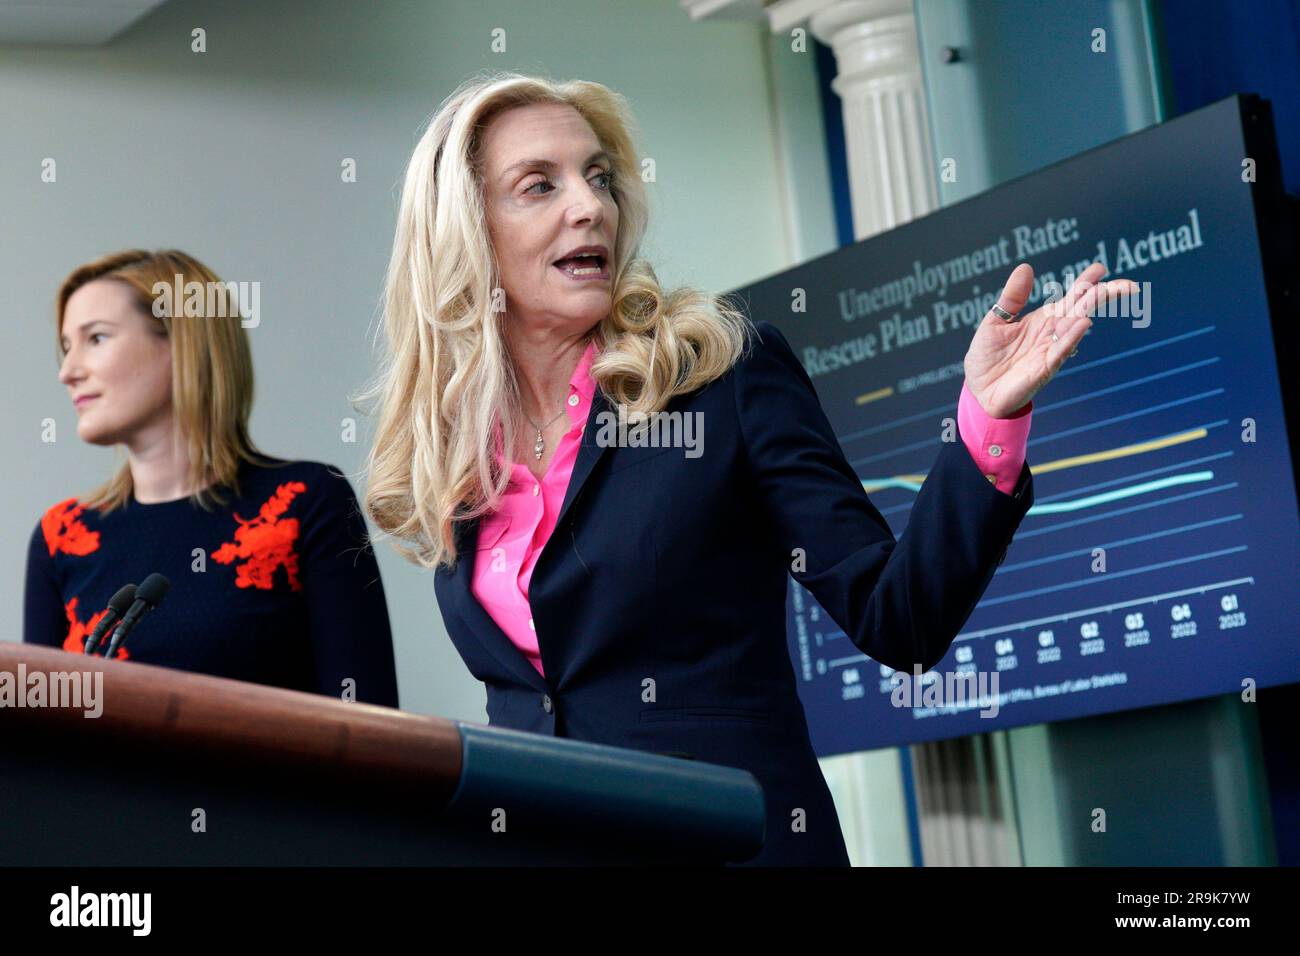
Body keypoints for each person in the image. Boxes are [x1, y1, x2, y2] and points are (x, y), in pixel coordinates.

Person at [356, 71, 1135, 864]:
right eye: (538, 186)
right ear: (466, 232)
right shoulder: (458, 455)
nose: (588, 205)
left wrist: (987, 419)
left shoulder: (723, 377)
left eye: (597, 177)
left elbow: (898, 619)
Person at [23, 249, 399, 707]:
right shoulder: (61, 536)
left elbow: (369, 725)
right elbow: (36, 741)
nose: (68, 372)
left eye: (96, 339)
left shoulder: (303, 502)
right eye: (65, 347)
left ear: (183, 344)